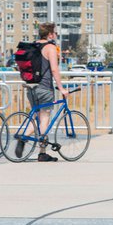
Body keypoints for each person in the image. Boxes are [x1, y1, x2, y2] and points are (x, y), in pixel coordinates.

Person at [18, 22, 68, 162]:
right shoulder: (50, 48)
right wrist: (61, 87)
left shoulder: (33, 46)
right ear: (50, 34)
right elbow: (54, 69)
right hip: (45, 88)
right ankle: (39, 150)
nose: (56, 35)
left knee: (35, 116)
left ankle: (28, 139)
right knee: (44, 117)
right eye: (55, 33)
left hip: (31, 87)